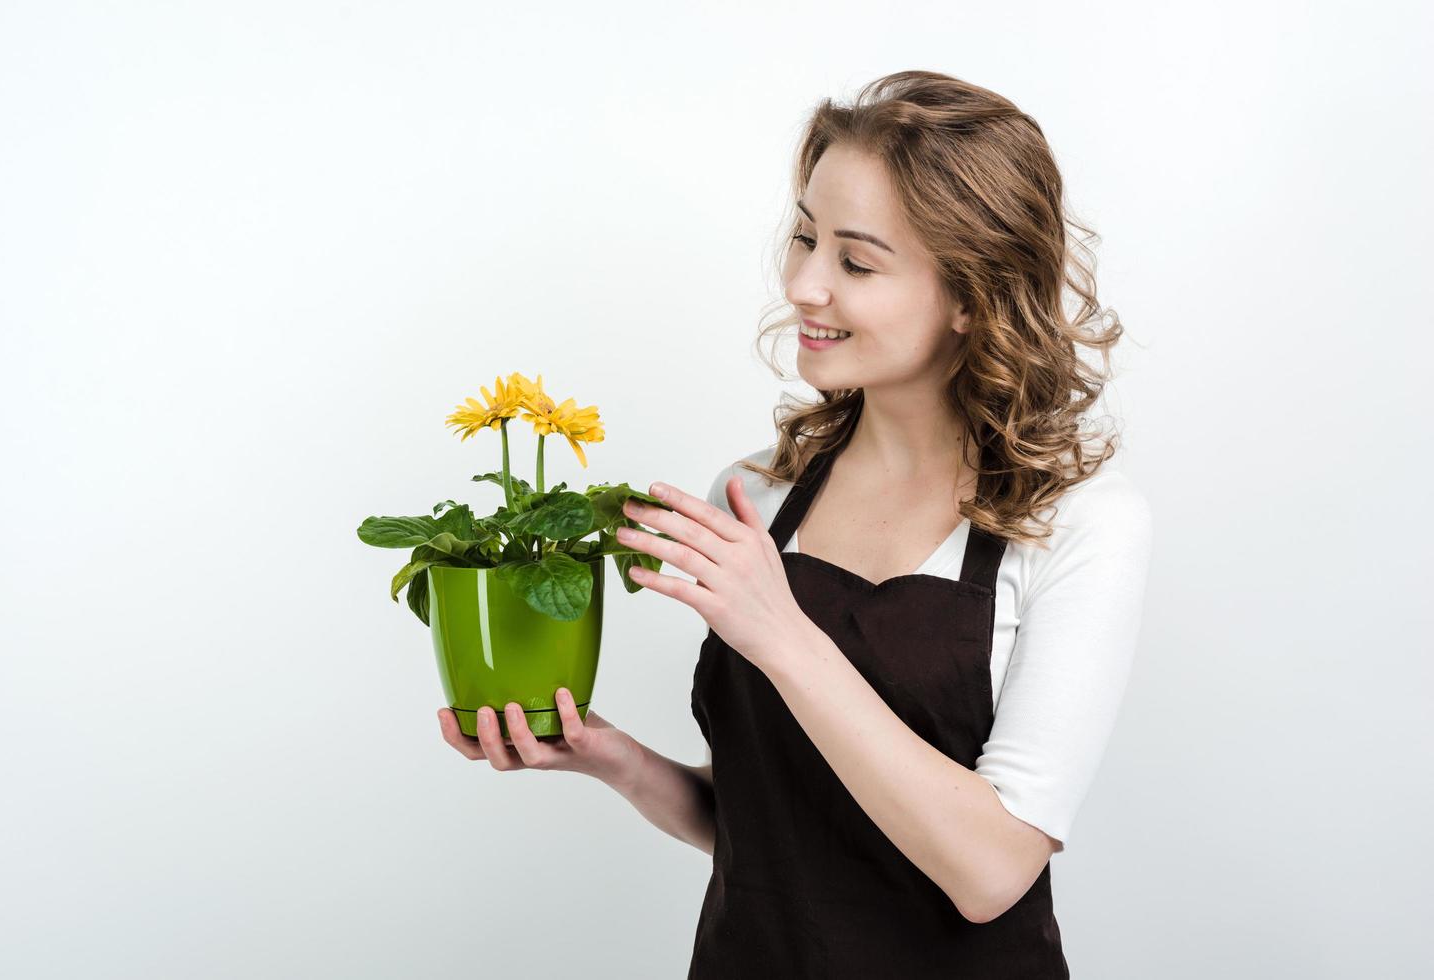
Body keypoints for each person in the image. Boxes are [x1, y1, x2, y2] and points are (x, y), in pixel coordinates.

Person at [437, 70, 1152, 978]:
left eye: (856, 262)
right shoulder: (757, 496)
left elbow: (990, 869)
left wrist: (779, 631)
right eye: (805, 238)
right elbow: (777, 825)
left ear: (973, 295)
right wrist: (613, 760)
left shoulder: (1078, 522)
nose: (804, 285)